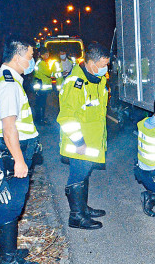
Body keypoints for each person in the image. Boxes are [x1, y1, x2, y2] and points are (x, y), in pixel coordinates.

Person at [0, 36, 40, 264]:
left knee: (11, 201)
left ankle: (9, 250)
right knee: (11, 203)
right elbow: (9, 128)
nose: (32, 61)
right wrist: (19, 159)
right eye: (30, 57)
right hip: (9, 153)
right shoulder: (8, 84)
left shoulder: (4, 78)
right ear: (17, 57)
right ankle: (8, 260)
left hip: (4, 150)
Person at [57, 42, 110, 230]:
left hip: (92, 142)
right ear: (91, 63)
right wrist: (79, 142)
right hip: (79, 143)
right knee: (77, 176)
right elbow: (66, 117)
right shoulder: (75, 84)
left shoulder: (97, 80)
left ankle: (83, 209)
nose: (105, 69)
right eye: (103, 65)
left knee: (84, 175)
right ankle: (76, 217)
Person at [32, 48, 54, 124]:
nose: (47, 55)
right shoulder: (41, 63)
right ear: (42, 55)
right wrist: (52, 70)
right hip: (42, 87)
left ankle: (40, 118)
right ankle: (40, 119)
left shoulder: (41, 62)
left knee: (40, 103)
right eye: (46, 54)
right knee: (41, 103)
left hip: (41, 86)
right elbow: (48, 73)